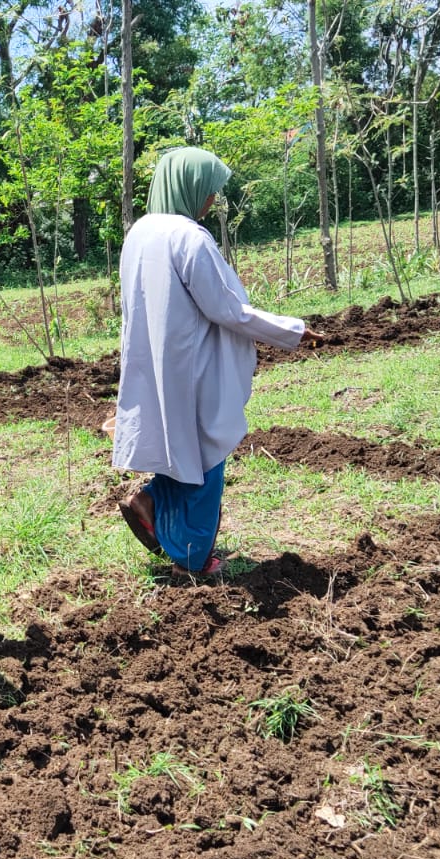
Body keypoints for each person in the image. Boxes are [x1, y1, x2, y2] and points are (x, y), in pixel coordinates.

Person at [112, 148, 326, 578]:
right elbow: (228, 309)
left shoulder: (139, 232)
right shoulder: (190, 237)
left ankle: (151, 501)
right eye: (209, 191)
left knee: (177, 446)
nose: (212, 201)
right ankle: (192, 559)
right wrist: (292, 331)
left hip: (153, 362)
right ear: (189, 187)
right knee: (207, 451)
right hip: (194, 364)